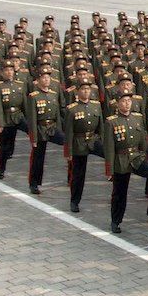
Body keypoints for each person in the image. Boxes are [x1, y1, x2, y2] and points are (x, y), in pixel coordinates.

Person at [103, 89, 148, 233]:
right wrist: (109, 169)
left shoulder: (137, 117)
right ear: (117, 103)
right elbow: (109, 147)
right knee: (119, 193)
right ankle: (116, 221)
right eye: (123, 101)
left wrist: (143, 153)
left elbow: (142, 138)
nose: (127, 104)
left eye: (129, 101)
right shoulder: (111, 122)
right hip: (120, 160)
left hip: (137, 157)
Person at [62, 82, 103, 210]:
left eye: (88, 89)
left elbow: (101, 128)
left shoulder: (96, 106)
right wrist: (68, 152)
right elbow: (68, 132)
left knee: (110, 154)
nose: (86, 91)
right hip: (79, 142)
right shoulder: (72, 109)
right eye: (83, 89)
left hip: (93, 140)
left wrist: (103, 140)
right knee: (79, 174)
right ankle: (74, 201)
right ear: (78, 91)